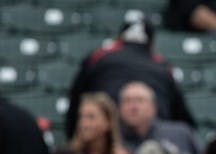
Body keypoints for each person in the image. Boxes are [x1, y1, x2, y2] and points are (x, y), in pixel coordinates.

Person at [66, 17, 195, 139]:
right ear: (151, 43)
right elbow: (185, 120)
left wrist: (72, 138)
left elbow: (76, 102)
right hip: (153, 138)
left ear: (120, 38)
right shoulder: (163, 66)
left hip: (107, 136)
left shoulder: (98, 57)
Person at [118, 81, 202, 154]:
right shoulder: (114, 142)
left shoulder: (181, 133)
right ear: (119, 109)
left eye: (139, 100)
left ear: (153, 107)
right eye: (127, 101)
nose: (133, 107)